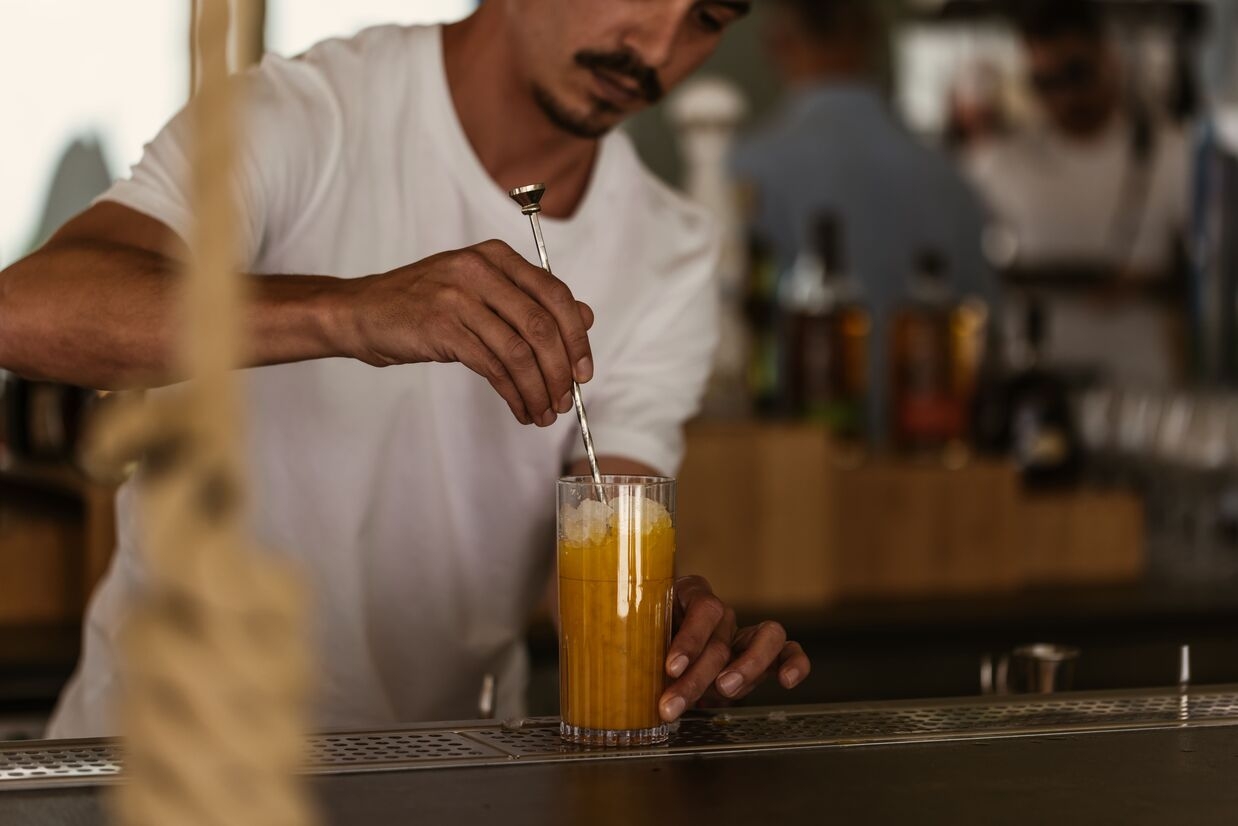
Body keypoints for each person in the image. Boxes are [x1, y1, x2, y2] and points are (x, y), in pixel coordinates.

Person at [0, 0, 810, 737]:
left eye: (707, 17)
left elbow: (608, 537)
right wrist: (351, 311)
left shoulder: (671, 252)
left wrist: (665, 643)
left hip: (439, 775)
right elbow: (25, 312)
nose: (658, 48)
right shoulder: (302, 117)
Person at [731, 0, 998, 442]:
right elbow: (987, 335)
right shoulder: (948, 179)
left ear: (777, 43)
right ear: (873, 38)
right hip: (926, 460)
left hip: (785, 465)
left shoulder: (746, 171)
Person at [966, 0, 1190, 385]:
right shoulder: (1002, 163)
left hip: (1139, 381)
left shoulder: (1170, 154)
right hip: (1038, 379)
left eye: (1076, 74)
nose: (1064, 98)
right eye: (1045, 83)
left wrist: (1149, 283)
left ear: (1109, 60)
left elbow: (1213, 266)